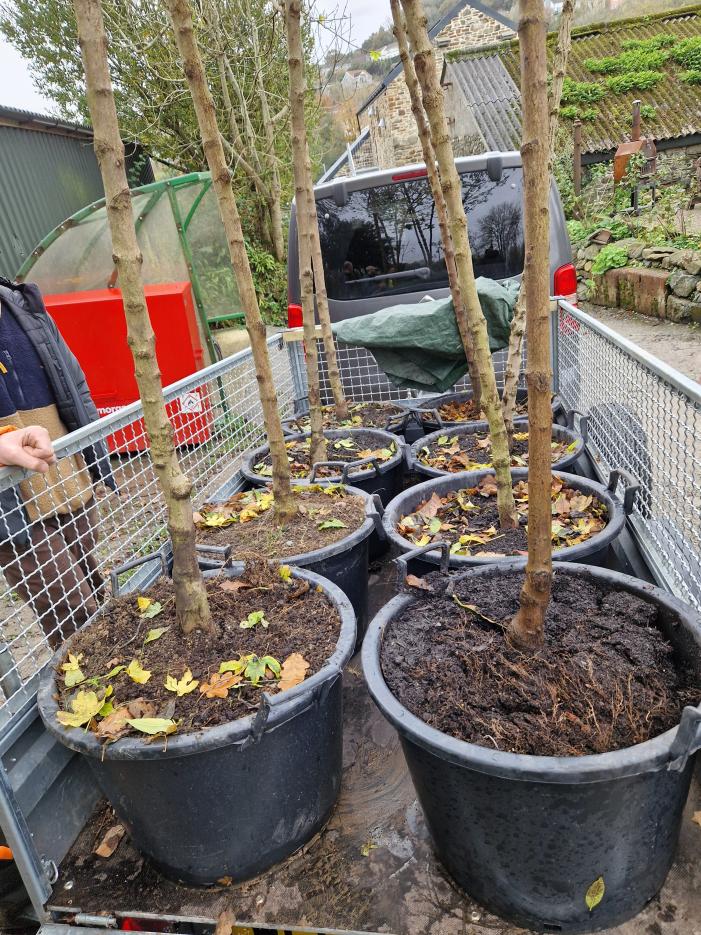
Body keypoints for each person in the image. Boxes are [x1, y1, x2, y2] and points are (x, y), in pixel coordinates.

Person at [0, 277, 114, 649]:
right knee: (73, 610)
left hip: (67, 479)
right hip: (14, 507)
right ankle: (90, 695)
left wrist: (93, 448)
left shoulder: (18, 302)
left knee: (93, 581)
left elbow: (74, 383)